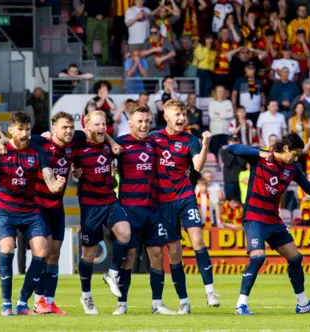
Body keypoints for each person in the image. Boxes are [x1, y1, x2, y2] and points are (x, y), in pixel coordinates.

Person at [228, 133, 310, 315]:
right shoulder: (261, 157)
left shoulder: (292, 169)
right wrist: (258, 153)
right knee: (258, 258)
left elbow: (307, 186)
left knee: (295, 258)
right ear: (285, 148)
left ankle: (302, 304)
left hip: (273, 220)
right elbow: (232, 148)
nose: (296, 158)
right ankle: (241, 305)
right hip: (254, 217)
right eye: (295, 154)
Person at [0, 111, 65, 316]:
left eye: (27, 129)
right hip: (5, 208)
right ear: (11, 130)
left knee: (42, 251)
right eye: (20, 129)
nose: (24, 133)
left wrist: (57, 185)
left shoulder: (38, 152)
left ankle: (22, 303)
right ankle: (6, 304)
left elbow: (51, 184)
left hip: (30, 209)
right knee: (7, 247)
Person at [149, 99, 218, 313]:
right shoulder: (154, 138)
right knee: (174, 252)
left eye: (183, 115)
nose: (181, 118)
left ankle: (210, 291)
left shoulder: (191, 140)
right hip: (163, 202)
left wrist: (205, 145)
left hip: (185, 196)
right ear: (166, 116)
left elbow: (197, 165)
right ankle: (184, 301)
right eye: (176, 114)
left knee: (197, 239)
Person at [111, 106, 175, 315]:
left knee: (157, 254)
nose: (144, 125)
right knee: (128, 256)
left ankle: (157, 304)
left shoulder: (153, 143)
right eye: (139, 121)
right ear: (130, 123)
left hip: (153, 209)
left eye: (147, 121)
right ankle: (122, 303)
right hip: (129, 209)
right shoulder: (120, 143)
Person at [70, 110, 135, 314]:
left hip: (110, 200)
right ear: (86, 127)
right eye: (96, 124)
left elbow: (110, 146)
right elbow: (71, 171)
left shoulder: (108, 144)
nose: (101, 128)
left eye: (103, 124)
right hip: (90, 205)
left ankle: (112, 273)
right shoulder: (78, 145)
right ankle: (86, 296)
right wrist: (75, 174)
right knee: (88, 254)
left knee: (125, 234)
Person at [208, 85, 234, 156]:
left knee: (226, 152)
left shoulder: (228, 102)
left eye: (222, 91)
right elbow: (212, 116)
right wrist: (225, 114)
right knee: (214, 151)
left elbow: (231, 114)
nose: (220, 93)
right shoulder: (212, 103)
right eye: (218, 91)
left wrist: (218, 114)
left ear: (225, 92)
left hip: (226, 130)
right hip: (215, 131)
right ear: (215, 92)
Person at [220, 135, 246, 201]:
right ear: (228, 142)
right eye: (232, 141)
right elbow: (228, 163)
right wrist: (234, 151)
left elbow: (242, 163)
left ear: (238, 142)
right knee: (229, 202)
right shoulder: (224, 151)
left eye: (235, 141)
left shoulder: (243, 151)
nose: (234, 143)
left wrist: (237, 151)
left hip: (241, 181)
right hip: (229, 180)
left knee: (240, 201)